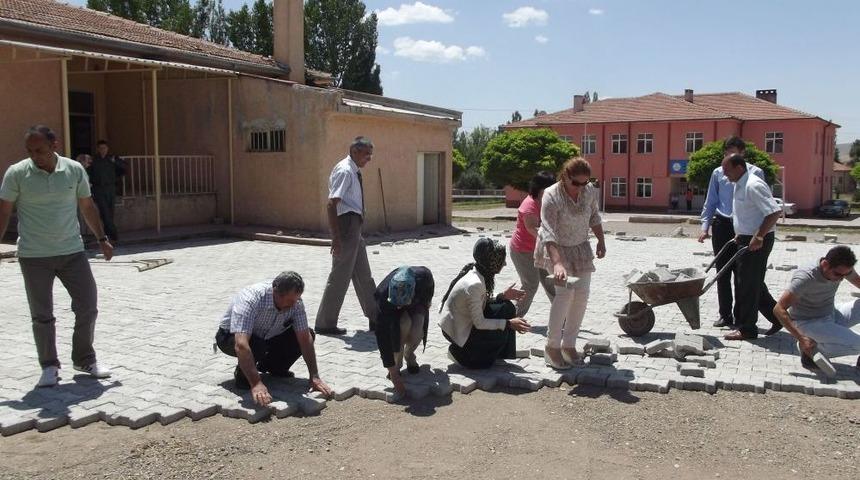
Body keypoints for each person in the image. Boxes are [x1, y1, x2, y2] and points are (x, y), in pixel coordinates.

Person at [0, 126, 114, 387]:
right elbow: (4, 211)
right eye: (30, 151)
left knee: (87, 306)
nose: (35, 156)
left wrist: (102, 239)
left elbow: (87, 206)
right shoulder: (17, 173)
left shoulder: (73, 170)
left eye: (39, 150)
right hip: (34, 255)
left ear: (54, 145)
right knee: (42, 315)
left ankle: (84, 358)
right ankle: (49, 366)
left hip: (72, 252)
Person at [215, 271, 333, 406]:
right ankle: (243, 377)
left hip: (267, 335)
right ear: (276, 293)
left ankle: (274, 367)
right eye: (290, 301)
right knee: (256, 346)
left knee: (308, 334)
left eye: (297, 299)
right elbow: (241, 344)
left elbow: (305, 339)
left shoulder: (296, 303)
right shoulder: (251, 298)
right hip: (229, 337)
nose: (295, 304)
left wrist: (314, 376)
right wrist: (256, 383)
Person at [535, 157, 606, 369]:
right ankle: (552, 347)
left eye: (585, 183)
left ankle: (569, 345)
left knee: (582, 296)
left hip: (580, 248)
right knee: (565, 295)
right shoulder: (551, 195)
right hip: (555, 248)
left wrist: (601, 241)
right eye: (576, 183)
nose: (581, 187)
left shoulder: (589, 191)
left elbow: (594, 217)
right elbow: (548, 231)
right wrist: (557, 263)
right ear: (565, 176)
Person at [698, 136, 768, 329]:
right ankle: (725, 315)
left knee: (742, 274)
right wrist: (705, 227)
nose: (729, 156)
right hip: (723, 224)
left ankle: (741, 316)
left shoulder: (755, 173)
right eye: (726, 153)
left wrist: (759, 233)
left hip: (746, 228)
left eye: (733, 153)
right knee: (722, 272)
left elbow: (764, 204)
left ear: (742, 154)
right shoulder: (718, 173)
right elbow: (711, 201)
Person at [315, 137, 378, 335]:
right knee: (340, 276)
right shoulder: (345, 170)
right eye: (366, 153)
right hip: (346, 225)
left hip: (354, 225)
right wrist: (336, 237)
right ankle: (325, 323)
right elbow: (331, 204)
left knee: (364, 276)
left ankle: (377, 317)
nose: (369, 158)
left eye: (370, 154)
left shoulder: (353, 170)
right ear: (355, 151)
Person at [439, 238, 530, 369]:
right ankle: (459, 353)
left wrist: (502, 296)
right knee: (500, 334)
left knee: (507, 307)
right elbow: (479, 323)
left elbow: (481, 299)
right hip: (456, 329)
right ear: (491, 262)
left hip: (465, 320)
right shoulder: (474, 283)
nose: (504, 264)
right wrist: (508, 324)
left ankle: (499, 354)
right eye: (501, 260)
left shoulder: (479, 272)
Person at [721, 153, 783, 341]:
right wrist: (742, 232)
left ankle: (747, 329)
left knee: (747, 285)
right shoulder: (739, 185)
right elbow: (748, 214)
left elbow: (773, 212)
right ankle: (779, 317)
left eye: (727, 171)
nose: (725, 175)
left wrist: (758, 236)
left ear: (739, 168)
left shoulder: (753, 185)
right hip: (746, 238)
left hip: (758, 241)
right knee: (752, 283)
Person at [773, 246, 860, 372]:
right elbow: (778, 309)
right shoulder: (806, 277)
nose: (841, 279)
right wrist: (801, 338)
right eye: (838, 274)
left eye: (845, 275)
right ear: (825, 264)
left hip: (831, 315)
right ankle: (809, 352)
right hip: (808, 323)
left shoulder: (842, 269)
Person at [374, 266, 435, 396]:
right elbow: (382, 336)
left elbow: (428, 298)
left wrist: (424, 304)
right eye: (398, 304)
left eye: (402, 303)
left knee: (417, 328)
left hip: (416, 302)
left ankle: (409, 355)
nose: (400, 307)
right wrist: (393, 373)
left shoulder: (424, 278)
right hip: (392, 308)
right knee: (403, 325)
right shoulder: (383, 295)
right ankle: (398, 362)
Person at [509, 171, 557, 317]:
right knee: (530, 285)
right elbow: (531, 228)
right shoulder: (529, 204)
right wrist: (551, 238)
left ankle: (562, 314)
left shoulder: (547, 200)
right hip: (522, 251)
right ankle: (514, 317)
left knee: (550, 282)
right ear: (540, 188)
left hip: (539, 249)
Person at [87, 140, 125, 242]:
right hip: (99, 189)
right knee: (104, 211)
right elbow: (88, 172)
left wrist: (115, 162)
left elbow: (124, 168)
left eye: (104, 148)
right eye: (101, 148)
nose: (103, 150)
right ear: (98, 149)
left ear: (107, 149)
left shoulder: (112, 158)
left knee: (109, 212)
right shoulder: (94, 160)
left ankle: (107, 234)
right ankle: (114, 235)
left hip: (110, 188)